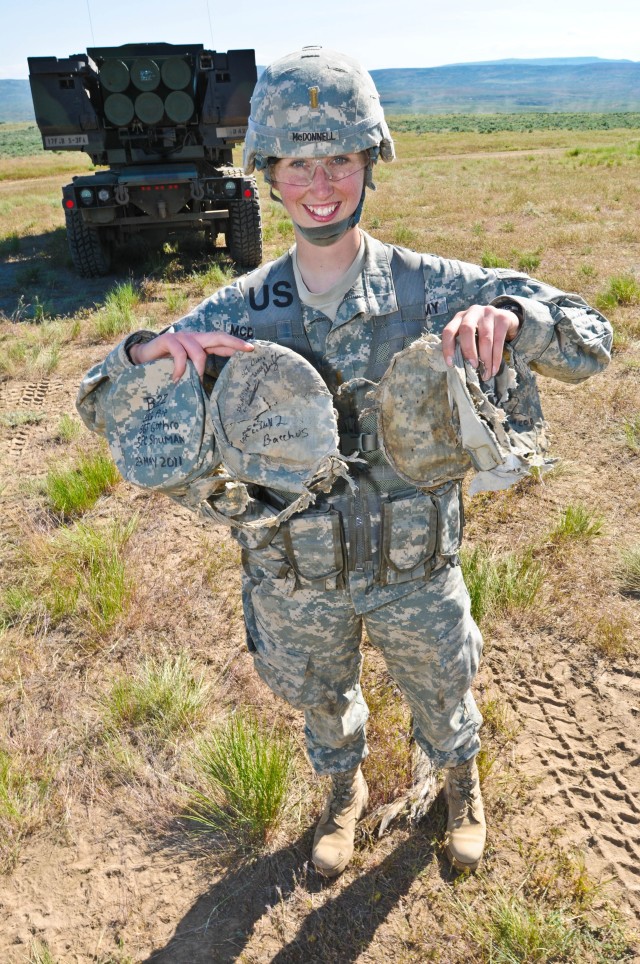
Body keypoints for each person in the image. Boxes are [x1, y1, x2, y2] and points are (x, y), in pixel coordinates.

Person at [77, 46, 612, 878]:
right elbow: (95, 401)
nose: (319, 183)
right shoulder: (239, 311)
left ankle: (460, 786)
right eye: (297, 163)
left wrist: (512, 317)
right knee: (322, 701)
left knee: (444, 687)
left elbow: (590, 342)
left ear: (370, 162)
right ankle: (341, 794)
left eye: (339, 159)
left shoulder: (434, 288)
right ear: (266, 171)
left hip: (416, 567)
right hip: (298, 576)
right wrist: (150, 349)